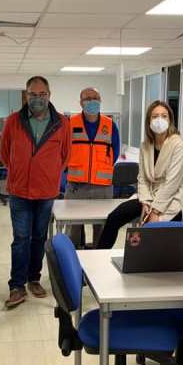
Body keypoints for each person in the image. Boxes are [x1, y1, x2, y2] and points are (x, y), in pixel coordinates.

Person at [0, 75, 71, 308]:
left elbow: (65, 156)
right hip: (19, 191)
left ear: (49, 95)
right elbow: (5, 154)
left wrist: (47, 174)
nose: (38, 98)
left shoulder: (62, 123)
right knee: (21, 239)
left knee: (39, 237)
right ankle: (17, 286)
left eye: (42, 94)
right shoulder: (12, 121)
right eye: (33, 94)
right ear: (26, 95)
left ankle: (34, 279)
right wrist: (21, 172)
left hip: (46, 192)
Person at [96, 100, 183, 249]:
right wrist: (145, 202)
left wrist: (156, 211)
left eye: (164, 116)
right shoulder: (145, 145)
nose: (160, 120)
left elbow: (172, 183)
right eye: (155, 116)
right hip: (148, 197)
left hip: (171, 200)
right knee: (114, 217)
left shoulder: (178, 144)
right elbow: (142, 178)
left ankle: (153, 266)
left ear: (170, 120)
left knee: (151, 234)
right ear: (149, 121)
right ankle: (98, 258)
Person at [64, 87, 120, 248]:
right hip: (76, 186)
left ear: (100, 100)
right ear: (81, 102)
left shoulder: (110, 125)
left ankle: (98, 264)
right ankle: (73, 263)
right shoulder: (70, 123)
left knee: (102, 229)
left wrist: (99, 169)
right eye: (87, 98)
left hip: (102, 187)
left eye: (95, 97)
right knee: (73, 229)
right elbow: (63, 150)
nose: (92, 101)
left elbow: (114, 152)